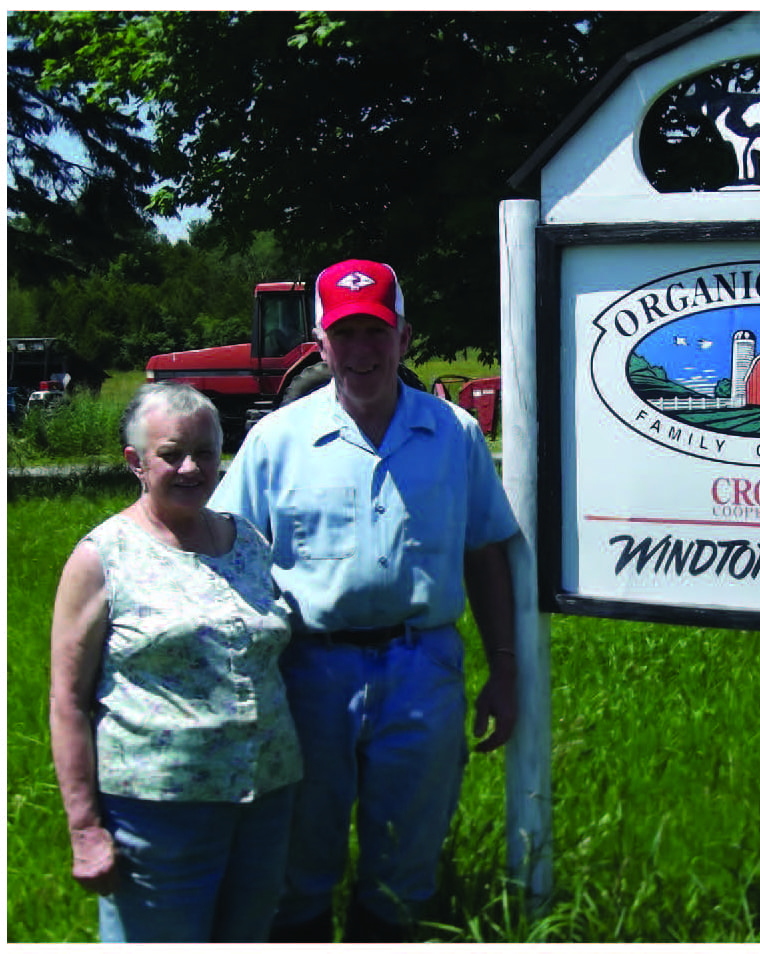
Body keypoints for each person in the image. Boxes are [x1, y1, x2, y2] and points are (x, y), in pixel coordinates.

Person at [210, 258, 521, 942]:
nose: (361, 352)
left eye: (376, 332)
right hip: (306, 672)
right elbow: (228, 564)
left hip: (422, 667)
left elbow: (485, 550)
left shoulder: (453, 434)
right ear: (319, 343)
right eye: (344, 334)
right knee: (299, 858)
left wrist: (504, 668)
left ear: (405, 338)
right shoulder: (274, 442)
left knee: (406, 862)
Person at [49, 382, 302, 942]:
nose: (191, 467)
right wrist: (85, 827)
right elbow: (67, 701)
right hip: (159, 812)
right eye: (171, 454)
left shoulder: (248, 542)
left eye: (205, 453)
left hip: (265, 799)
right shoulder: (102, 557)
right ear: (135, 462)